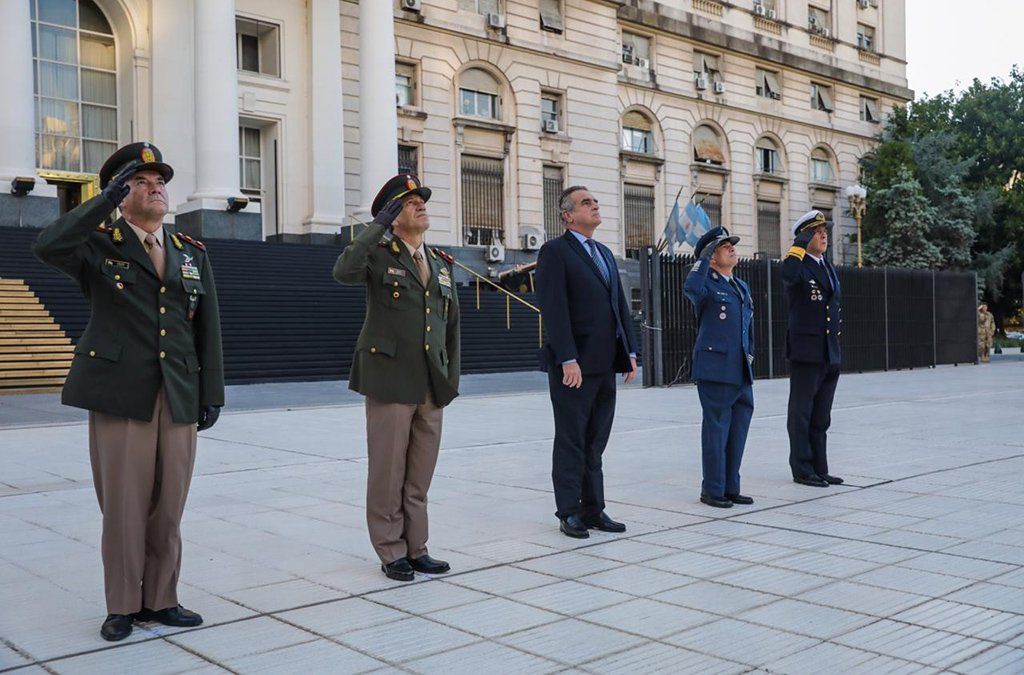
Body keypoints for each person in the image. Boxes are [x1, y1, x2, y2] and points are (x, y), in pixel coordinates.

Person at [32, 142, 224, 641]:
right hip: (121, 393)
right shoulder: (98, 243)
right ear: (120, 193)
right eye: (140, 181)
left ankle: (161, 600)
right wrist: (100, 201)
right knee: (123, 504)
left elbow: (208, 328)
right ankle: (122, 604)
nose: (156, 186)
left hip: (179, 391)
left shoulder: (190, 252)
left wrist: (212, 392)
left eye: (160, 180)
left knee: (169, 504)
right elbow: (47, 246)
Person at [332, 173, 460, 582]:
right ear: (392, 214)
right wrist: (375, 228)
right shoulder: (378, 254)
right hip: (389, 377)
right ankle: (391, 551)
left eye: (422, 198)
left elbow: (451, 325)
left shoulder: (439, 262)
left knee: (420, 473)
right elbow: (343, 271)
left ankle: (417, 547)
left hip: (430, 382)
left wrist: (449, 378)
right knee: (388, 471)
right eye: (409, 201)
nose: (421, 204)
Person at [535, 185, 638, 539]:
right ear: (567, 216)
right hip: (574, 366)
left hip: (605, 362)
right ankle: (569, 511)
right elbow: (554, 309)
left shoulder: (604, 253)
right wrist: (567, 357)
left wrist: (631, 353)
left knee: (596, 440)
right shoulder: (555, 252)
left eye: (595, 201)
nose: (595, 206)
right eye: (586, 203)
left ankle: (594, 509)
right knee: (571, 438)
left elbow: (618, 305)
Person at [684, 227, 755, 508]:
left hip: (740, 368)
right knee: (716, 429)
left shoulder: (740, 286)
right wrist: (701, 259)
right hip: (715, 368)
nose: (732, 249)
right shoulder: (705, 285)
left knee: (738, 429)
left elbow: (748, 329)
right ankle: (712, 489)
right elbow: (691, 288)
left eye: (731, 245)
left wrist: (750, 356)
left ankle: (730, 486)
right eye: (724, 247)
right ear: (711, 258)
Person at [783, 210, 843, 488]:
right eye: (817, 231)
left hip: (828, 352)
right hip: (806, 351)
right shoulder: (797, 264)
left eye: (824, 231)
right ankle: (802, 468)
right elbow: (787, 275)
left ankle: (820, 466)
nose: (823, 235)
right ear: (805, 235)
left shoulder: (826, 266)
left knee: (822, 415)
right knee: (802, 412)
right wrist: (798, 245)